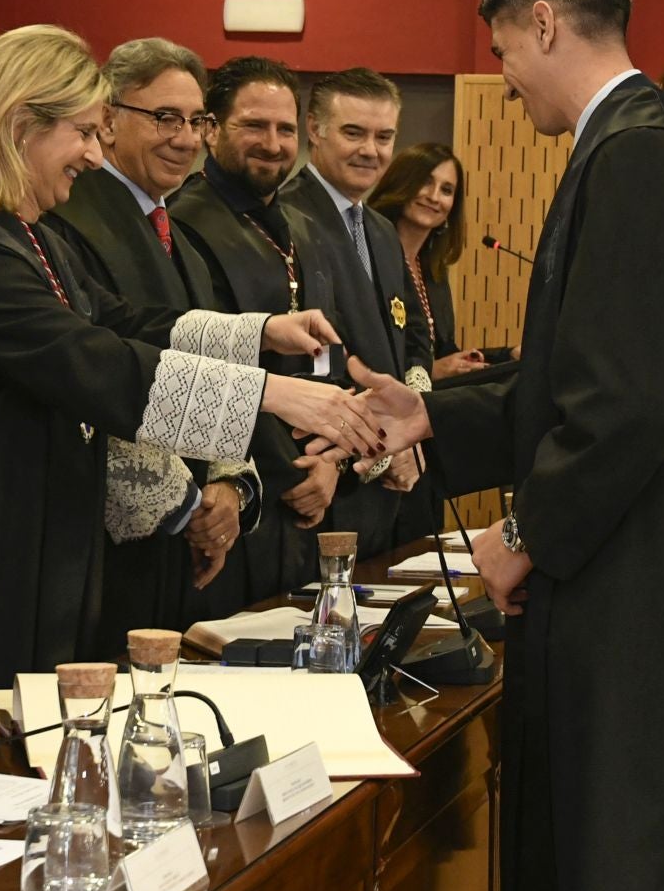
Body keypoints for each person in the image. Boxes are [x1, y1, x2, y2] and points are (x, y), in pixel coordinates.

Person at [336, 0, 664, 891]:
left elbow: (625, 402)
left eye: (502, 51)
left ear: (544, 23)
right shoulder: (638, 143)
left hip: (649, 559)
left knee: (628, 837)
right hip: (656, 539)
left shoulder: (639, 155)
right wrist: (427, 413)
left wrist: (525, 534)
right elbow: (577, 376)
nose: (503, 82)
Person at [0, 24, 385, 720]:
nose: (95, 157)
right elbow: (99, 365)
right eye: (84, 133)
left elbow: (132, 322)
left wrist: (259, 333)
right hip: (5, 553)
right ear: (19, 126)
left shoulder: (29, 236)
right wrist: (273, 395)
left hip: (55, 554)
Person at [42, 38, 275, 641]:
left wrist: (229, 486)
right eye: (165, 118)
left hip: (187, 546)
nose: (187, 138)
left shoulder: (182, 234)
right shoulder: (66, 218)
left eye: (196, 120)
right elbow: (95, 371)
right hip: (105, 542)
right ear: (110, 119)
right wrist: (188, 505)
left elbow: (203, 357)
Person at [169, 56, 329, 591]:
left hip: (311, 493)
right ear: (211, 130)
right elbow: (199, 367)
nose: (274, 142)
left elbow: (328, 352)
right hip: (233, 490)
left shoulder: (302, 227)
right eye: (255, 125)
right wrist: (288, 470)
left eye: (286, 129)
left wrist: (330, 458)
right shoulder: (183, 221)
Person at [275, 67, 430, 551]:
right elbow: (312, 360)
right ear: (315, 131)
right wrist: (378, 447)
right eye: (354, 133)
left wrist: (411, 436)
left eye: (384, 136)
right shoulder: (284, 218)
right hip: (324, 485)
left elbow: (416, 340)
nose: (371, 150)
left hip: (387, 492)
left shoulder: (383, 230)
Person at [367, 143, 508, 379]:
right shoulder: (368, 257)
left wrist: (503, 356)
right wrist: (431, 372)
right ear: (402, 183)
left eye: (446, 190)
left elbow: (442, 353)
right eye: (426, 182)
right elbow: (369, 355)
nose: (434, 197)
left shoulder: (433, 272)